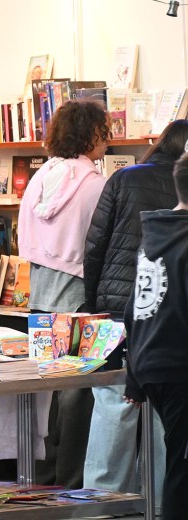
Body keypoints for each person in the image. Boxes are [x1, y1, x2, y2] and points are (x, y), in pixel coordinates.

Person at [81, 121, 188, 506]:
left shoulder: (125, 178)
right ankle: (159, 504)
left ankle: (100, 501)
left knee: (112, 406)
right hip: (168, 315)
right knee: (169, 427)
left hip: (118, 306)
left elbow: (95, 245)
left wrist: (91, 301)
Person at [17, 98, 110, 488]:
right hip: (78, 295)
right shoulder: (95, 184)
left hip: (39, 293)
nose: (107, 139)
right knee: (78, 393)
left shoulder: (40, 177)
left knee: (46, 392)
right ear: (91, 134)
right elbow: (102, 241)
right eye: (104, 132)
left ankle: (43, 476)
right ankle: (72, 480)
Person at [124, 152, 188, 520]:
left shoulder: (158, 233)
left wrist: (135, 376)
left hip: (154, 362)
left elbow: (137, 305)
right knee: (182, 465)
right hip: (179, 366)